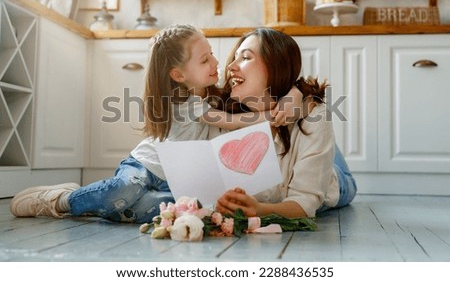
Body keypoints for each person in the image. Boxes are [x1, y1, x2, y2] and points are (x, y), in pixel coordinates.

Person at [10, 24, 305, 224]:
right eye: (205, 60)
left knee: (178, 210)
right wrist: (267, 117)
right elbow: (229, 121)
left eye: (212, 54)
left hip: (175, 181)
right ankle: (60, 200)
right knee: (123, 193)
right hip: (144, 168)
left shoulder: (220, 91)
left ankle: (96, 200)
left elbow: (294, 82)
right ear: (179, 75)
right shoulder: (191, 102)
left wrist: (293, 94)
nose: (219, 63)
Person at [215, 28, 357, 219]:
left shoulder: (313, 117)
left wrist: (259, 211)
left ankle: (326, 148)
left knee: (317, 121)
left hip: (333, 182)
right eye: (234, 57)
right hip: (299, 124)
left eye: (246, 57)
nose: (231, 66)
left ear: (276, 67)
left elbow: (304, 204)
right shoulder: (219, 109)